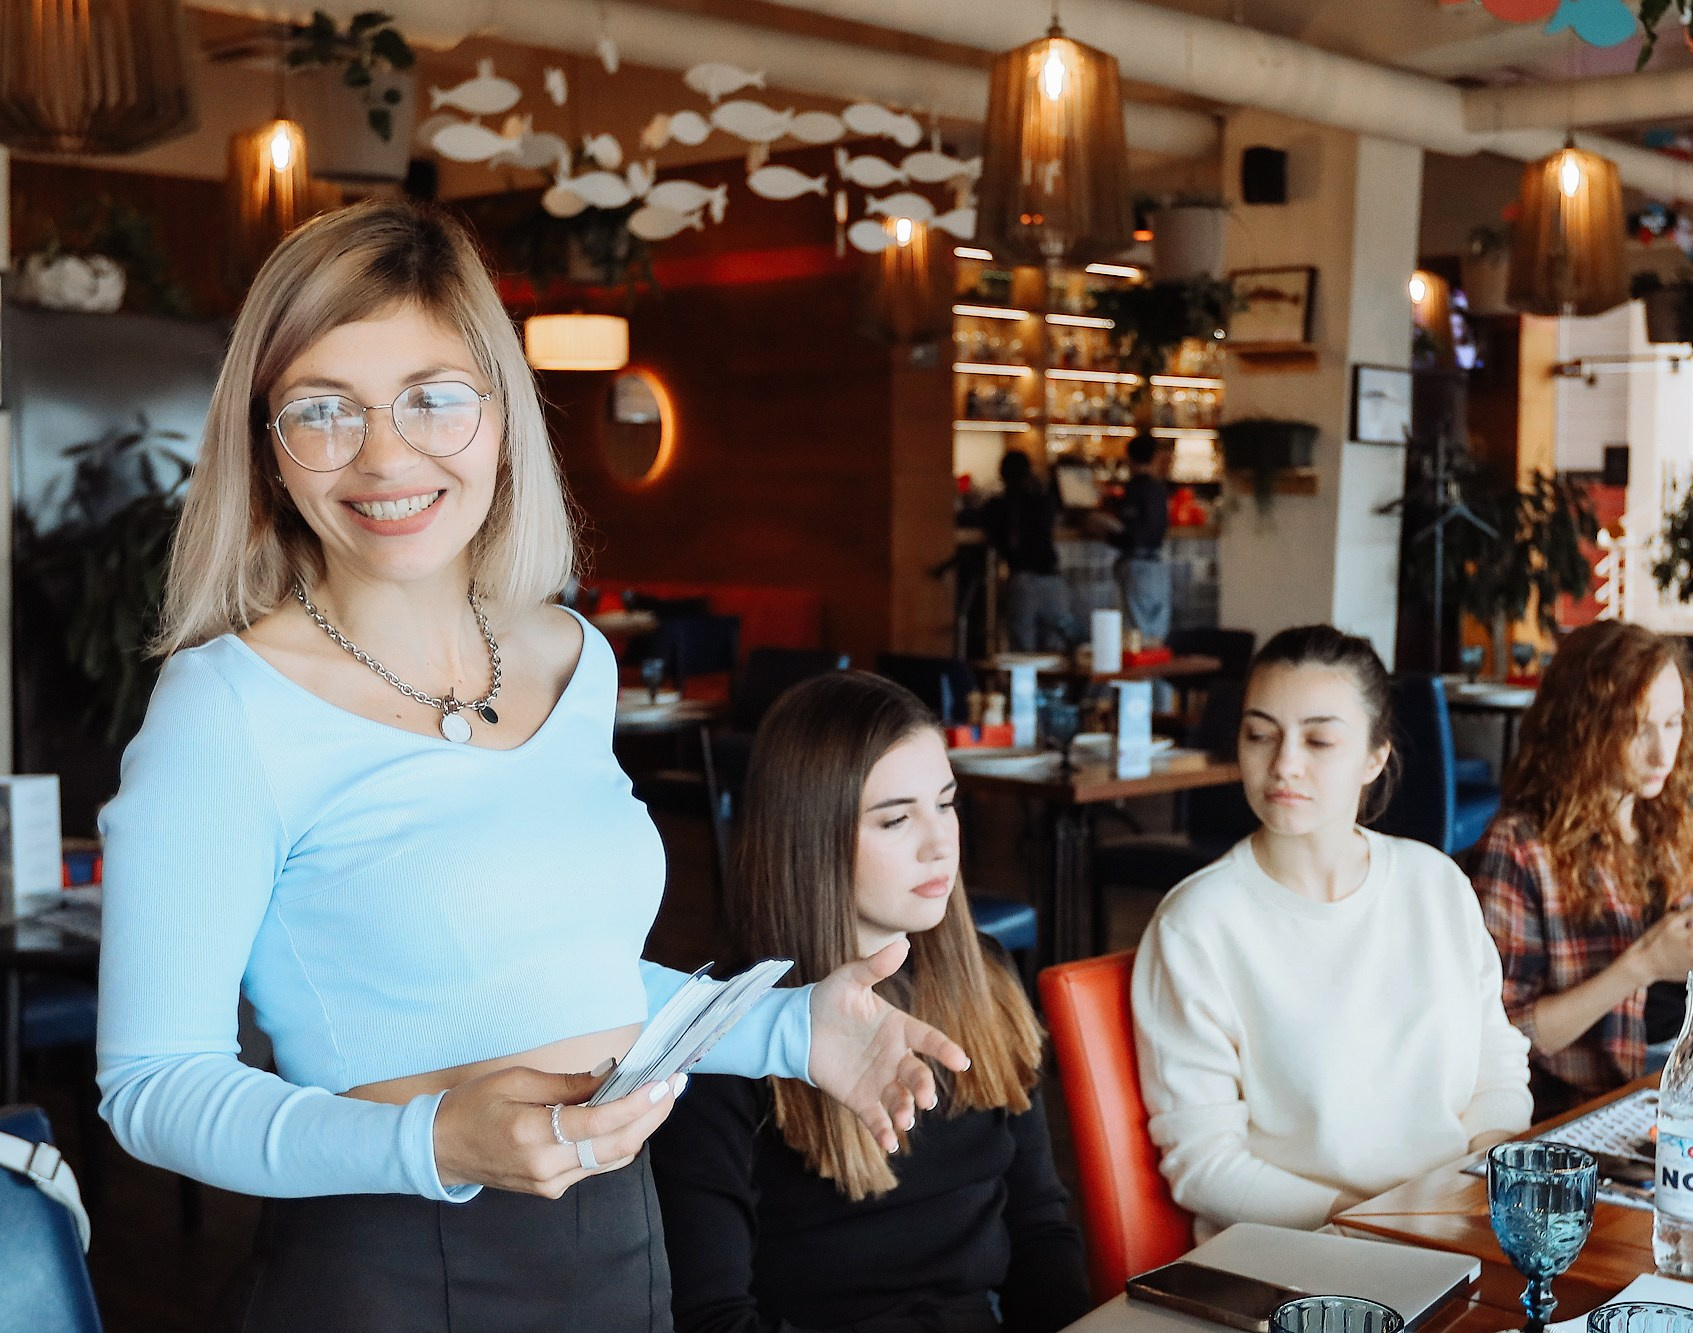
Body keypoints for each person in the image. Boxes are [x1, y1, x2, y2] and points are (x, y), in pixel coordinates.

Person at [95, 199, 967, 1332]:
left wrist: (788, 1031)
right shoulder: (225, 706)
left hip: (616, 1246)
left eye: (432, 398)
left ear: (500, 414)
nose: (385, 455)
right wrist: (433, 1138)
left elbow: (565, 985)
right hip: (389, 1268)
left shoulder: (569, 655)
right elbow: (153, 1086)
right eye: (324, 410)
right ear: (267, 444)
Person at [652, 671, 1089, 1333]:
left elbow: (1039, 1234)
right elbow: (712, 1315)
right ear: (811, 839)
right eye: (895, 817)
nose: (939, 841)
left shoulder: (987, 973)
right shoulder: (727, 1036)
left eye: (946, 803)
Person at [1132, 625, 1531, 1239]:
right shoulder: (1198, 925)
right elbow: (1204, 1163)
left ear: (1375, 756)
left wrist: (1483, 1180)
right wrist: (1381, 1224)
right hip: (1299, 1256)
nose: (1284, 763)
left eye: (1319, 740)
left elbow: (1495, 1066)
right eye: (1260, 735)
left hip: (1457, 1227)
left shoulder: (1435, 884)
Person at [1468, 619, 1693, 1115]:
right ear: (1582, 728)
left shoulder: (1674, 826)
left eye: (1673, 723)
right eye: (1636, 729)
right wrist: (1641, 966)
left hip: (1689, 1089)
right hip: (1584, 1109)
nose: (1664, 753)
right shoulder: (1520, 847)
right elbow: (1500, 1037)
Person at [980, 450, 1076, 652]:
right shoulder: (1044, 500)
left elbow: (985, 525)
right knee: (1055, 647)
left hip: (1022, 580)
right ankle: (1054, 684)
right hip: (1052, 580)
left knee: (1023, 651)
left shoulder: (998, 505)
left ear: (1002, 474)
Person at [1107, 433, 1172, 645]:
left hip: (1137, 567)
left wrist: (1102, 528)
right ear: (1155, 457)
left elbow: (1131, 535)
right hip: (1158, 566)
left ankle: (1143, 677)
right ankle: (1154, 676)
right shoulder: (1159, 489)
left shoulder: (1134, 490)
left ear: (1129, 459)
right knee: (1157, 636)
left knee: (1136, 635)